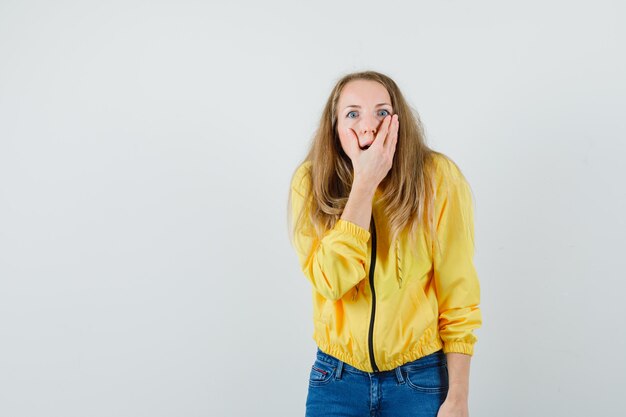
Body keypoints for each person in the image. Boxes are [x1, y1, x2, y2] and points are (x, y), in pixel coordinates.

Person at [287, 70, 482, 417]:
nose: (369, 125)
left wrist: (458, 397)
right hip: (336, 380)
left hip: (420, 380)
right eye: (353, 113)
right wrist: (365, 182)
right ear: (334, 127)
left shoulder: (438, 178)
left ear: (397, 121)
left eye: (381, 112)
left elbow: (459, 293)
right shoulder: (310, 181)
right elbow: (332, 280)